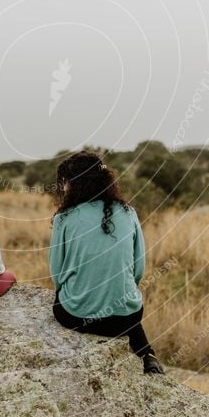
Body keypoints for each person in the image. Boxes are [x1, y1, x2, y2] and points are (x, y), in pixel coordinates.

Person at [49, 151, 164, 375]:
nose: (62, 189)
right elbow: (138, 268)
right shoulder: (128, 212)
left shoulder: (64, 217)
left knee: (61, 302)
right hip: (125, 319)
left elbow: (56, 274)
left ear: (73, 183)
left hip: (77, 317)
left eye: (64, 183)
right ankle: (148, 355)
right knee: (126, 310)